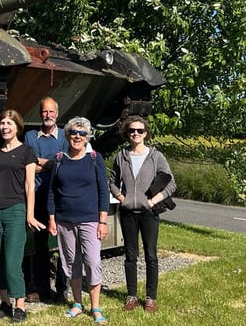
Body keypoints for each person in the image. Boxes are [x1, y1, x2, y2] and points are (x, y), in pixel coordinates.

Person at [0, 109, 45, 323]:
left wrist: (29, 214)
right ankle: (4, 303)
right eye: (2, 123)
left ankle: (19, 305)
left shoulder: (27, 152)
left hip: (14, 210)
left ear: (18, 127)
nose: (5, 127)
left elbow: (30, 185)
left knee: (12, 261)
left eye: (9, 123)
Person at [108, 115, 176, 314]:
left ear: (146, 133)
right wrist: (121, 197)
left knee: (151, 255)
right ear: (126, 133)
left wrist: (153, 201)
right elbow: (112, 181)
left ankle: (150, 298)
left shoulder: (156, 156)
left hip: (149, 213)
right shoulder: (121, 156)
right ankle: (131, 296)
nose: (135, 134)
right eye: (131, 131)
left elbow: (171, 183)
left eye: (139, 130)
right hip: (128, 212)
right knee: (130, 255)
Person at [47, 117, 109, 323]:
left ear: (87, 137)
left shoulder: (94, 158)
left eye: (82, 133)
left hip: (90, 220)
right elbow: (52, 192)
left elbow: (103, 190)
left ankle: (96, 307)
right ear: (67, 136)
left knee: (92, 262)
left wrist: (103, 220)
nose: (77, 136)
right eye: (74, 132)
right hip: (64, 220)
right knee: (71, 263)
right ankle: (77, 303)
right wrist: (51, 218)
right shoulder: (58, 159)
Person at [23, 97, 69, 304]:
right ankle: (42, 289)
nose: (48, 115)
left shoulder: (66, 138)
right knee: (40, 246)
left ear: (57, 114)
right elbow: (27, 163)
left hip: (61, 196)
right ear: (40, 114)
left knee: (64, 246)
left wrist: (41, 164)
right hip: (37, 197)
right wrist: (51, 163)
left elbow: (66, 164)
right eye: (44, 112)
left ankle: (62, 289)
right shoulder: (30, 137)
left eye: (51, 112)